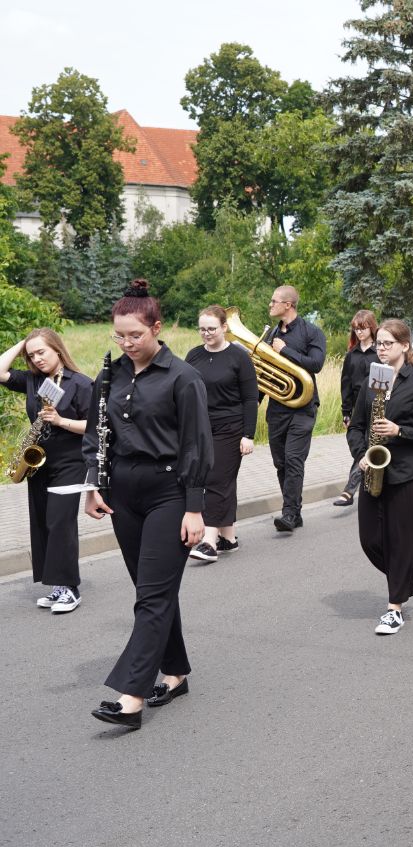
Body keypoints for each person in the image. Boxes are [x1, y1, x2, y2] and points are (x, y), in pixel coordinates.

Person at [84, 279, 213, 730]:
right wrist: (92, 485)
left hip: (169, 493)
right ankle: (175, 674)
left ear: (157, 328)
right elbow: (94, 436)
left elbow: (198, 446)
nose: (126, 343)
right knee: (152, 592)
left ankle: (131, 696)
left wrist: (195, 509)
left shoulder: (184, 377)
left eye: (134, 335)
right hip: (122, 492)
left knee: (153, 596)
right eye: (118, 335)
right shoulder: (110, 375)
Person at [347, 319, 413, 635]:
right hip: (374, 470)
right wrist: (361, 454)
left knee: (401, 542)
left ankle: (394, 609)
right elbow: (357, 425)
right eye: (379, 344)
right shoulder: (371, 382)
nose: (381, 349)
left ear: (405, 346)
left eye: (388, 343)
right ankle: (408, 571)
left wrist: (399, 430)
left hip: (405, 474)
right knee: (369, 539)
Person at [1, 329, 93, 613]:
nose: (37, 359)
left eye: (42, 352)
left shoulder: (81, 383)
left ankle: (70, 588)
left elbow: (95, 425)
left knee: (60, 523)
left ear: (57, 349)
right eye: (32, 355)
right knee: (42, 522)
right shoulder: (33, 380)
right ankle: (57, 586)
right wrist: (24, 342)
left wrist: (61, 420)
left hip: (70, 461)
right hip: (40, 462)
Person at [184, 306, 257, 562]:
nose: (206, 333)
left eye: (211, 328)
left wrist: (249, 434)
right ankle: (229, 538)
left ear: (224, 328)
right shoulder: (193, 356)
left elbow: (250, 399)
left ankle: (209, 541)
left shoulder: (239, 357)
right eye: (202, 329)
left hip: (231, 427)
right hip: (202, 428)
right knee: (224, 482)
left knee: (216, 480)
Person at [264, 284, 326, 532]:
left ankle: (289, 513)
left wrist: (285, 351)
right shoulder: (269, 335)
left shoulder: (312, 332)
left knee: (294, 459)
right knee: (281, 462)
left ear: (287, 305)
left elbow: (317, 363)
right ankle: (295, 511)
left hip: (303, 406)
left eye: (273, 301)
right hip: (277, 407)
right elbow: (264, 372)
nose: (270, 305)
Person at [333, 310, 380, 507]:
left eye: (363, 328)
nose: (360, 332)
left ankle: (349, 490)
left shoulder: (380, 351)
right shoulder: (351, 355)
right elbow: (346, 384)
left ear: (371, 327)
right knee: (359, 445)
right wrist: (346, 412)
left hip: (376, 403)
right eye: (356, 329)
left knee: (369, 445)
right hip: (357, 408)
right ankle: (365, 482)